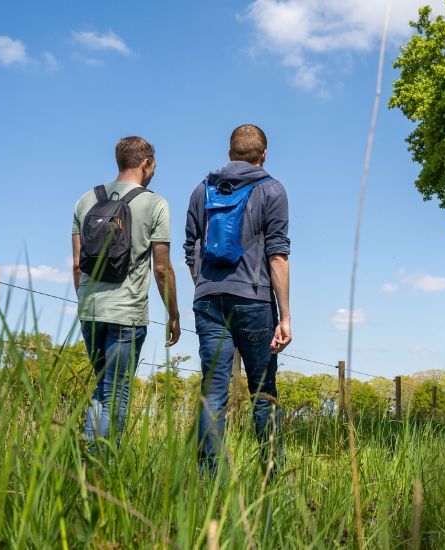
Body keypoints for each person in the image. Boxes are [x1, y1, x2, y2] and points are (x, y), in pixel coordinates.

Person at [184, 124, 292, 476]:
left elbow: (191, 249)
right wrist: (286, 316)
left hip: (209, 301)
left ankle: (208, 480)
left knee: (212, 393)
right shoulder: (272, 190)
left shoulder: (201, 190)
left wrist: (204, 285)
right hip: (254, 301)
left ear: (230, 153)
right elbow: (277, 256)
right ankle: (273, 479)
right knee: (263, 393)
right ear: (263, 154)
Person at [71, 136, 181, 452]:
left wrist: (86, 301)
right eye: (154, 164)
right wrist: (173, 314)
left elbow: (79, 266)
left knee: (102, 388)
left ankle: (88, 461)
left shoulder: (85, 200)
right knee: (116, 391)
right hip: (127, 314)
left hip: (90, 310)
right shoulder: (156, 203)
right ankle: (100, 467)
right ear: (146, 164)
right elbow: (162, 270)